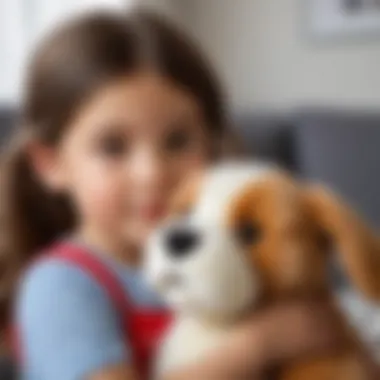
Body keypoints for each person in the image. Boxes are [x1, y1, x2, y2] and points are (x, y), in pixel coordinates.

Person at [0, 9, 367, 380]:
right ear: (51, 164)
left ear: (211, 142)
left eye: (177, 141)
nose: (152, 173)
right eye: (113, 147)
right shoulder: (59, 287)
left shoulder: (241, 264)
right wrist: (259, 345)